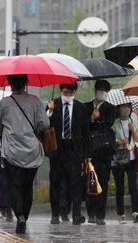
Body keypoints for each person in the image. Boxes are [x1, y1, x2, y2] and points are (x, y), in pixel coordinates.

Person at [0, 74, 50, 234]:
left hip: (12, 151)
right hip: (32, 151)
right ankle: (24, 217)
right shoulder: (35, 101)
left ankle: (19, 215)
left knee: (15, 185)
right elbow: (45, 124)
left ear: (10, 84)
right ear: (26, 83)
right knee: (27, 187)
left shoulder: (4, 103)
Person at [47, 83, 90, 225]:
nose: (68, 96)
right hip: (57, 150)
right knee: (55, 183)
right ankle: (55, 215)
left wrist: (86, 155)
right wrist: (50, 112)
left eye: (71, 93)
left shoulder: (80, 107)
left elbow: (86, 133)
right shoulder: (53, 104)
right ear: (60, 90)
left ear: (75, 92)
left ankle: (76, 215)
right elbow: (45, 126)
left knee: (75, 184)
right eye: (65, 93)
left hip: (74, 151)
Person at [84, 80, 117, 225]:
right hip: (90, 151)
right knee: (90, 181)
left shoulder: (111, 108)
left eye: (105, 90)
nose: (102, 93)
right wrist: (91, 118)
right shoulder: (85, 107)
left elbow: (108, 123)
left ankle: (100, 215)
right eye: (100, 90)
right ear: (95, 90)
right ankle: (90, 212)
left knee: (103, 182)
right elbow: (83, 127)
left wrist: (97, 119)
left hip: (104, 151)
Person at [111, 102, 138, 224]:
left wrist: (132, 130)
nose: (126, 109)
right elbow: (111, 140)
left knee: (133, 186)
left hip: (132, 157)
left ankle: (136, 212)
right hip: (118, 159)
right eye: (123, 106)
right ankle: (121, 214)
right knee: (120, 187)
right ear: (118, 108)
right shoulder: (114, 123)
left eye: (128, 106)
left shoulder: (134, 121)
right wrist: (120, 142)